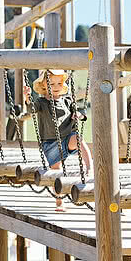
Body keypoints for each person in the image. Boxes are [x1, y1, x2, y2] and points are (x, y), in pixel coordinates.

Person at [21, 69, 92, 212]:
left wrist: (78, 115)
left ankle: (89, 166)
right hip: (50, 142)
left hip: (66, 138)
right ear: (44, 86)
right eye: (52, 83)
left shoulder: (67, 100)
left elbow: (81, 114)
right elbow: (32, 109)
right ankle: (59, 201)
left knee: (78, 138)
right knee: (56, 172)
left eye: (59, 83)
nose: (56, 86)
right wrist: (28, 98)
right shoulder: (41, 102)